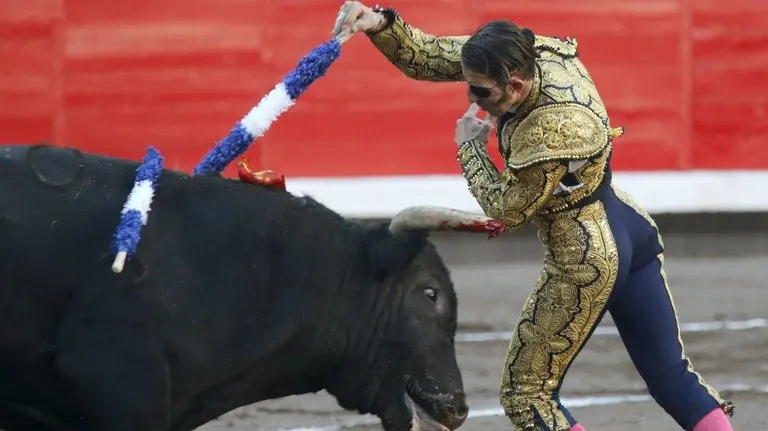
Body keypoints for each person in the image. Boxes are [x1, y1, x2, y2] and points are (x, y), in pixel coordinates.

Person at [331, 3, 735, 431]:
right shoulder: (525, 53)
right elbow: (432, 56)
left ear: (517, 85)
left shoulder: (553, 129)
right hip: (627, 226)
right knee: (671, 374)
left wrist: (470, 145)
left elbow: (507, 209)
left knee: (528, 395)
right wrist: (380, 25)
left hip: (587, 256)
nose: (473, 98)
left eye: (482, 92)